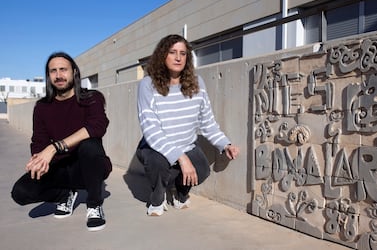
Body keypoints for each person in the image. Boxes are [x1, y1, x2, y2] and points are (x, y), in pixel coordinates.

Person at [136, 34, 240, 216]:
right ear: (162, 55)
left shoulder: (197, 83)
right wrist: (181, 158)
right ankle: (158, 196)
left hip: (186, 144)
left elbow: (207, 121)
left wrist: (225, 144)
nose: (178, 58)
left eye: (183, 53)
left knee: (201, 170)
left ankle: (180, 193)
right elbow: (150, 129)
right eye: (172, 52)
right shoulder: (148, 85)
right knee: (158, 164)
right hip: (155, 147)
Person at [11, 52, 112, 231]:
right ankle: (65, 194)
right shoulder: (42, 107)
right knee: (20, 192)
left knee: (90, 145)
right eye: (53, 71)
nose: (58, 75)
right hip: (61, 168)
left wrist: (55, 147)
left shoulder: (91, 98)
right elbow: (39, 141)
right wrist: (38, 161)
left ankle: (94, 204)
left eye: (63, 70)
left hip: (88, 166)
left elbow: (97, 126)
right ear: (48, 76)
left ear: (74, 72)